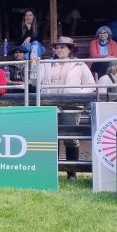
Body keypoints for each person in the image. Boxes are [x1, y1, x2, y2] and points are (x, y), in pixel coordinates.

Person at [38, 36, 95, 181]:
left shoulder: (79, 65)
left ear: (70, 49)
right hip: (49, 105)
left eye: (62, 47)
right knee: (51, 139)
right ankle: (52, 172)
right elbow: (34, 82)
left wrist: (77, 95)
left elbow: (91, 85)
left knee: (70, 138)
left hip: (71, 105)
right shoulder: (45, 64)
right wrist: (34, 67)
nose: (59, 50)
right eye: (57, 47)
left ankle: (72, 173)